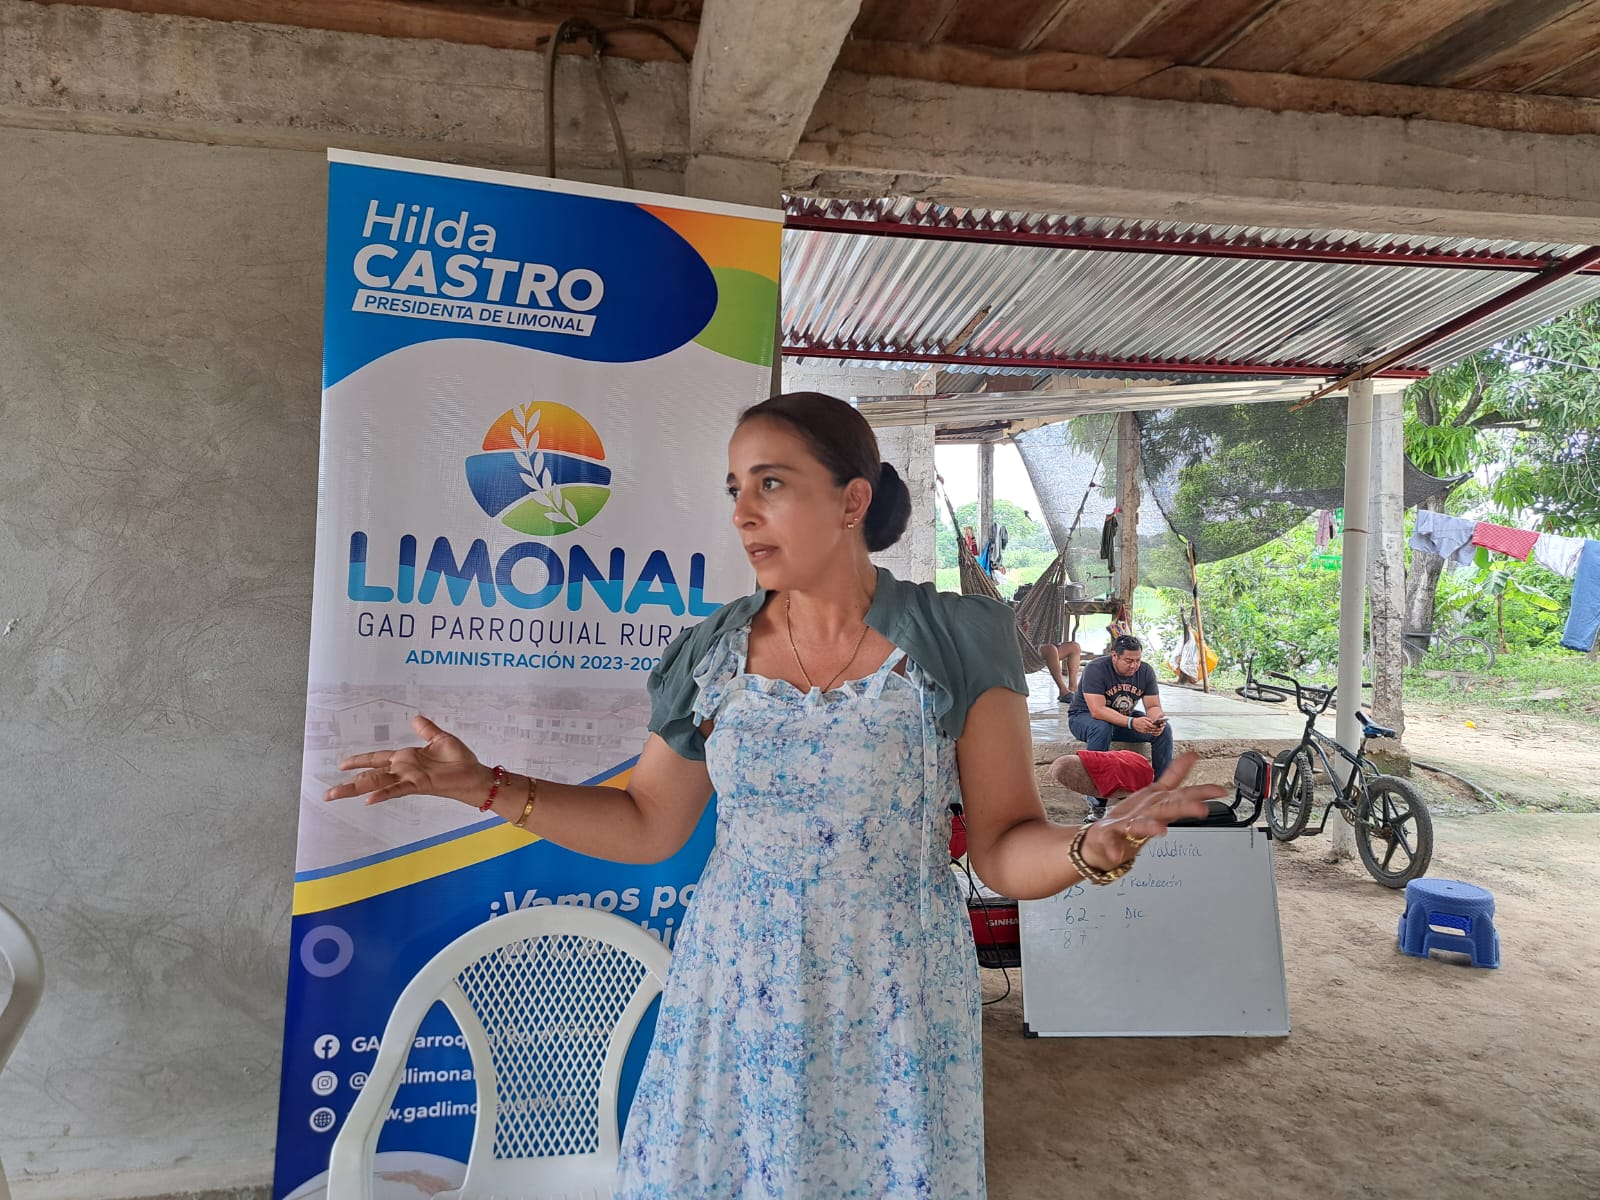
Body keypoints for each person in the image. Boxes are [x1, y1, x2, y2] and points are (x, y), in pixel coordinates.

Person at [327, 391, 1221, 1199]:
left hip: (895, 990)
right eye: (735, 490)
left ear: (851, 501)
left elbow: (1001, 844)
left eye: (771, 484)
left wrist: (1085, 848)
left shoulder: (955, 635)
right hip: (734, 986)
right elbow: (648, 824)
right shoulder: (711, 652)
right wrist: (485, 786)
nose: (743, 513)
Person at [1066, 634, 1173, 777]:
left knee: (1165, 731)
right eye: (1128, 661)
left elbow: (1153, 706)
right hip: (1084, 718)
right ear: (1115, 656)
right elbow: (1097, 711)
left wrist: (1157, 720)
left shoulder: (1146, 671)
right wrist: (1132, 722)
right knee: (1102, 727)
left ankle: (1161, 786)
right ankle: (1097, 785)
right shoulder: (1096, 669)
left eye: (1138, 660)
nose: (1134, 666)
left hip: (1123, 719)